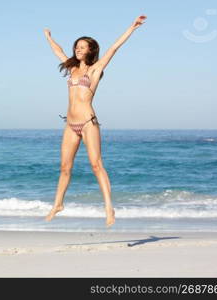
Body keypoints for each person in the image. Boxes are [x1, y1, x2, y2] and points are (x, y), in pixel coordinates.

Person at [44, 15, 147, 227]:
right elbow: (57, 51)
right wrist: (48, 37)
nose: (78, 49)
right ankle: (58, 204)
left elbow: (114, 48)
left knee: (96, 164)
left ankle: (109, 208)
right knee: (65, 167)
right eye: (77, 46)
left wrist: (132, 27)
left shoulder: (95, 69)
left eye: (83, 47)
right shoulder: (72, 69)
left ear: (91, 50)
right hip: (70, 125)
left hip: (88, 122)